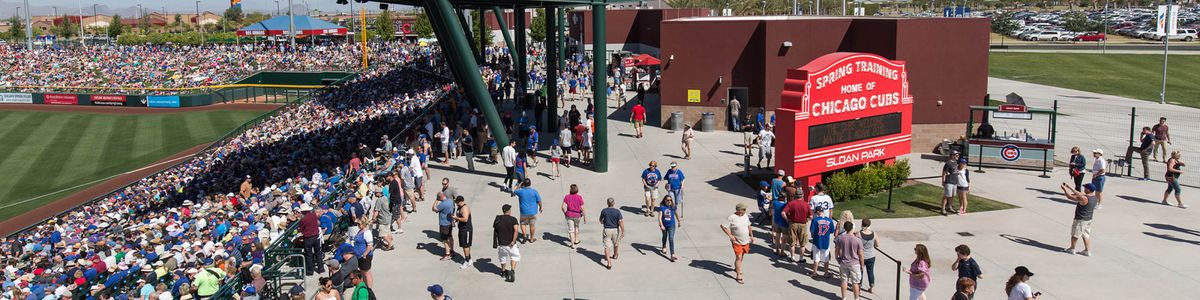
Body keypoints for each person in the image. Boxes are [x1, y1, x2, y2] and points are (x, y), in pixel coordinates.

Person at [1058, 182, 1097, 257]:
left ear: (1088, 189)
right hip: (1088, 219)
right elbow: (1079, 193)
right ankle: (1087, 250)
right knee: (1086, 235)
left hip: (1080, 219)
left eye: (1085, 187)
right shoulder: (1094, 197)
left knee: (1075, 234)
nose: (1084, 188)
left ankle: (1072, 249)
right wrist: (1069, 187)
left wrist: (1064, 189)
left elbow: (1070, 197)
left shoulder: (1084, 198)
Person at [720, 203, 754, 284]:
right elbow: (723, 226)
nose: (745, 211)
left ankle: (737, 267)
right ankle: (738, 275)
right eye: (744, 209)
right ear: (739, 210)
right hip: (736, 241)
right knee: (739, 256)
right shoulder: (731, 217)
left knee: (741, 255)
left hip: (746, 240)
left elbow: (749, 226)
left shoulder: (745, 216)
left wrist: (752, 236)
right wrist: (730, 235)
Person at [835, 221, 865, 300]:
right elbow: (861, 254)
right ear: (852, 228)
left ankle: (844, 297)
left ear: (844, 228)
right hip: (854, 263)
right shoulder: (858, 240)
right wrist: (862, 265)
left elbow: (837, 250)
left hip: (844, 262)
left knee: (844, 281)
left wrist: (837, 258)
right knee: (855, 283)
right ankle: (856, 298)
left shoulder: (840, 238)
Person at [782, 187, 812, 262]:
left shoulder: (791, 203)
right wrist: (807, 220)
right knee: (802, 244)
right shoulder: (806, 204)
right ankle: (801, 259)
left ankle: (792, 257)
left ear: (795, 195)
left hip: (793, 224)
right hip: (803, 225)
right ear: (802, 195)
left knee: (792, 243)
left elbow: (783, 213)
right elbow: (811, 216)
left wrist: (787, 219)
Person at [494, 204, 521, 283]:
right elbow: (516, 230)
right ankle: (512, 270)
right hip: (511, 244)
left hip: (502, 244)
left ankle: (503, 272)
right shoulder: (513, 219)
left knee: (503, 258)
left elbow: (495, 230)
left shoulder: (498, 219)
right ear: (509, 211)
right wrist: (513, 241)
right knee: (514, 257)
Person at [599, 197, 626, 270]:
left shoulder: (604, 211)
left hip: (607, 230)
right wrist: (623, 231)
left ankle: (609, 263)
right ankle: (615, 255)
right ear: (613, 203)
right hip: (615, 230)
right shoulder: (617, 211)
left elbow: (600, 221)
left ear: (607, 203)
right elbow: (620, 222)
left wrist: (604, 222)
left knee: (607, 247)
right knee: (616, 244)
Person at [809, 206, 835, 278]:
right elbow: (832, 231)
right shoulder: (829, 220)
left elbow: (812, 231)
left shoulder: (815, 220)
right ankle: (826, 273)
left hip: (816, 241)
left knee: (816, 258)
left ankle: (814, 272)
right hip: (826, 241)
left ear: (817, 212)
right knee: (826, 258)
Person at [298, 203, 324, 276]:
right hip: (316, 236)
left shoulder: (303, 219)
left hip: (308, 238)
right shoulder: (314, 215)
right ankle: (321, 269)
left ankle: (310, 271)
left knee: (309, 255)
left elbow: (301, 228)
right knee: (318, 253)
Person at [450, 196, 474, 269]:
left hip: (466, 230)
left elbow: (465, 219)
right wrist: (456, 220)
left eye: (457, 202)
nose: (456, 204)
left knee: (466, 245)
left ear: (461, 201)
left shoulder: (465, 208)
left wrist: (456, 218)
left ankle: (467, 261)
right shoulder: (459, 208)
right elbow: (459, 217)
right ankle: (469, 259)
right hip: (461, 229)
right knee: (464, 245)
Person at [433, 192, 457, 261]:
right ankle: (452, 250)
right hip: (450, 222)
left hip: (444, 224)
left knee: (445, 239)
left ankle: (447, 254)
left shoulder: (443, 204)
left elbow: (434, 209)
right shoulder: (450, 201)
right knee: (450, 236)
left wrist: (436, 201)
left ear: (440, 197)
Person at [562, 184, 586, 248]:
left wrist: (565, 213)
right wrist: (584, 217)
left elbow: (563, 207)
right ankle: (576, 240)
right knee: (576, 227)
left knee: (571, 229)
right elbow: (582, 208)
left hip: (569, 214)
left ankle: (572, 244)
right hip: (577, 215)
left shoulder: (567, 197)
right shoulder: (579, 197)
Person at [860, 219, 880, 293]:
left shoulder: (859, 234)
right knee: (870, 272)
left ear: (862, 224)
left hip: (862, 256)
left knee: (860, 271)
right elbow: (877, 244)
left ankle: (859, 286)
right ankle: (871, 287)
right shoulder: (874, 234)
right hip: (871, 256)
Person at [771, 190, 790, 258]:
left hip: (776, 222)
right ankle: (782, 252)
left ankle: (777, 250)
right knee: (784, 239)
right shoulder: (786, 205)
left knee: (777, 237)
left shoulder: (774, 202)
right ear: (784, 197)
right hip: (784, 223)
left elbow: (771, 211)